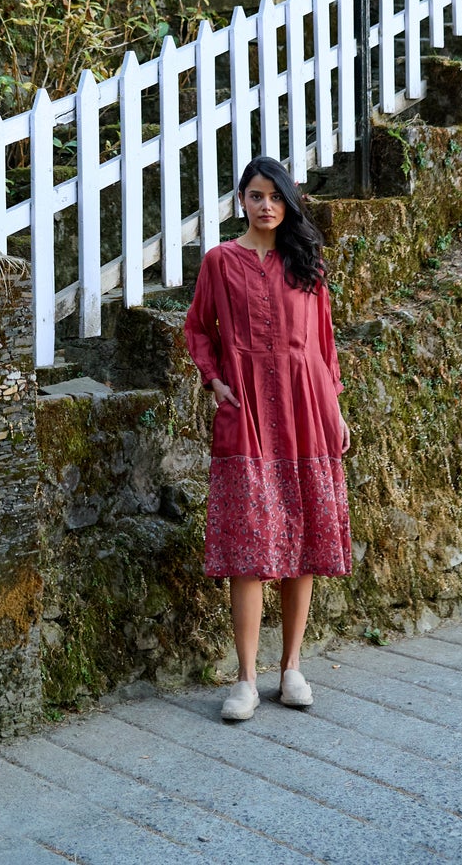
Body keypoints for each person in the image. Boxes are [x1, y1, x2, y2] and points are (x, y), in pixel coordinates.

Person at [184, 155, 351, 722]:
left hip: (307, 411)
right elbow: (197, 328)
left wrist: (336, 411)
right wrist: (214, 381)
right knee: (250, 552)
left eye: (275, 196)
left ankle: (293, 668)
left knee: (301, 539)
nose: (266, 205)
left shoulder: (307, 265)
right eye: (256, 195)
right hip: (248, 413)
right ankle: (247, 679)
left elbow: (325, 346)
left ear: (288, 203)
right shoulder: (220, 263)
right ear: (242, 201)